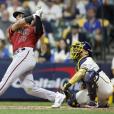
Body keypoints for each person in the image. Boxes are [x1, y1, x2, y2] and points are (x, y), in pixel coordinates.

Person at [0, 8, 65, 108]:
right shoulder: (12, 28)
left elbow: (39, 31)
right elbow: (18, 24)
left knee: (6, 80)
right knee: (29, 88)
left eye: (20, 15)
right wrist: (34, 15)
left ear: (26, 16)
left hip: (25, 54)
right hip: (19, 56)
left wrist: (38, 17)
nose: (17, 17)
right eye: (17, 16)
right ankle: (57, 96)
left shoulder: (32, 29)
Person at [63, 41, 113, 108]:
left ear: (86, 52)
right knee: (72, 101)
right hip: (99, 92)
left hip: (106, 88)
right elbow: (86, 84)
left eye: (80, 49)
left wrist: (68, 84)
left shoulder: (88, 60)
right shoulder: (80, 62)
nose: (76, 50)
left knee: (89, 75)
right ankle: (102, 103)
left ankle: (93, 102)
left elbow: (81, 73)